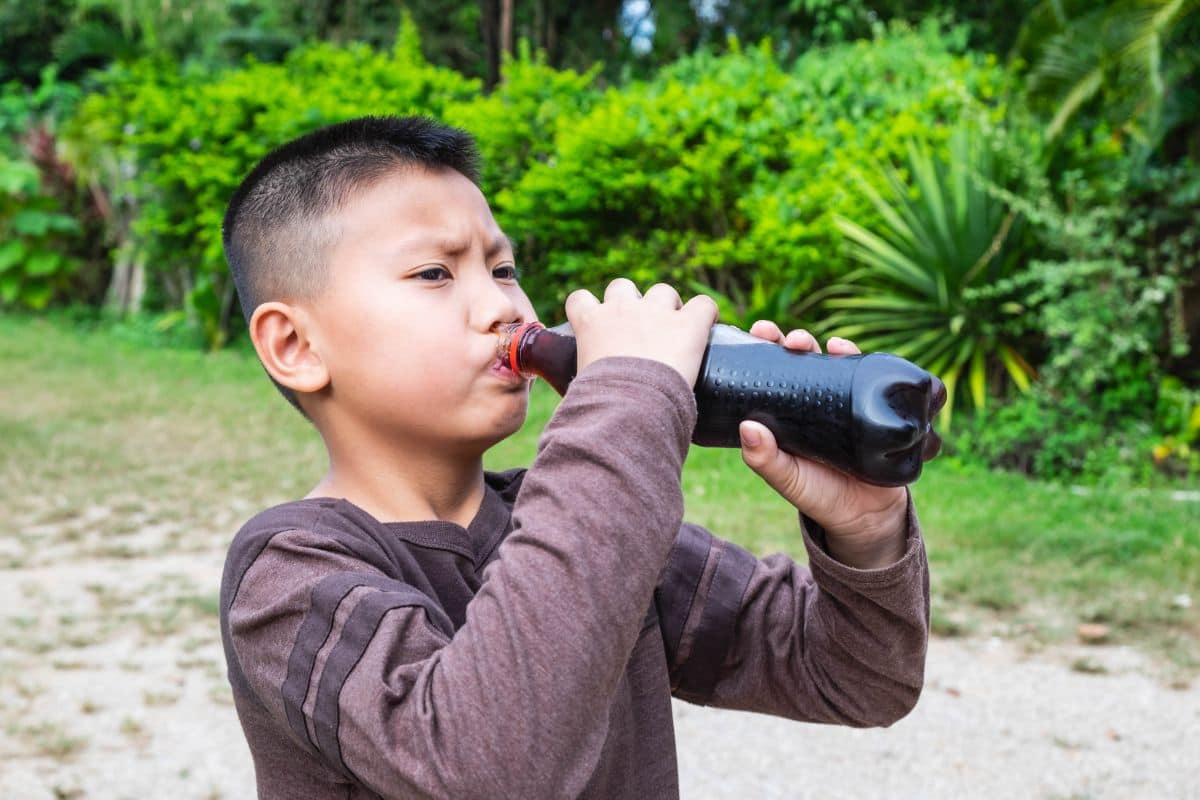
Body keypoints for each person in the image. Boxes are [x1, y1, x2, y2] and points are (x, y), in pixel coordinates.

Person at [218, 115, 930, 800]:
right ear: (296, 347)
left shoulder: (582, 528)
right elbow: (484, 767)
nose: (504, 308)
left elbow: (858, 678)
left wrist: (865, 531)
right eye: (435, 272)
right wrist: (625, 400)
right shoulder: (287, 575)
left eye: (503, 268)